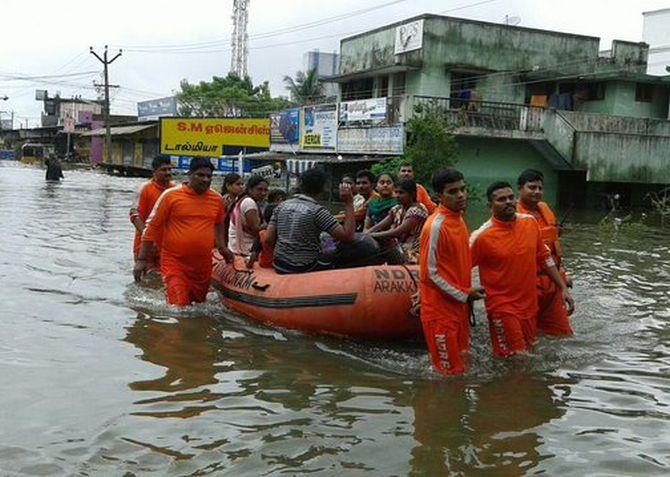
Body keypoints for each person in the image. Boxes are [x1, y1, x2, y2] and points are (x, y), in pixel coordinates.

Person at [470, 182, 575, 358]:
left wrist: (563, 287)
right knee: (516, 358)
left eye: (511, 198)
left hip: (528, 304)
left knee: (530, 354)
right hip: (501, 307)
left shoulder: (529, 223)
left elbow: (544, 258)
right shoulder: (481, 236)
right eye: (501, 199)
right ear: (490, 206)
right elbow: (460, 266)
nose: (508, 202)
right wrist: (466, 291)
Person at [418, 169, 485, 376]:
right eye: (453, 192)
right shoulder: (435, 226)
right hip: (440, 313)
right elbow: (429, 274)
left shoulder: (459, 218)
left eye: (463, 189)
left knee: (463, 366)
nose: (461, 195)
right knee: (448, 377)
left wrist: (465, 297)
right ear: (439, 196)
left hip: (459, 309)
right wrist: (465, 294)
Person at [134, 157, 226, 307]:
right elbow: (153, 226)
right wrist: (142, 259)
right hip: (175, 262)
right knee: (179, 307)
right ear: (189, 174)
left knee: (198, 306)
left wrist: (223, 248)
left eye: (209, 176)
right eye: (200, 175)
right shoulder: (171, 196)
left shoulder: (217, 199)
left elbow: (219, 223)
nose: (205, 179)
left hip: (202, 265)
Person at [265, 168, 356, 274]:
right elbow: (348, 237)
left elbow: (268, 239)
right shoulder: (318, 211)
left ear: (301, 184)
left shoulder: (281, 206)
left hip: (279, 264)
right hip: (304, 267)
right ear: (323, 188)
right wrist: (349, 202)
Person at [517, 169, 574, 337]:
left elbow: (553, 251)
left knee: (563, 335)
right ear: (520, 189)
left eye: (540, 188)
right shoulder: (512, 214)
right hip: (528, 285)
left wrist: (563, 277)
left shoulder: (544, 209)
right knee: (526, 338)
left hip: (552, 283)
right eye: (532, 187)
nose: (537, 192)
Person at [366, 180, 429, 264]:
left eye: (401, 193)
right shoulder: (397, 209)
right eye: (396, 192)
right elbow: (379, 226)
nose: (397, 196)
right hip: (399, 248)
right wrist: (366, 234)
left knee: (383, 242)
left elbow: (397, 232)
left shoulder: (418, 210)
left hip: (414, 252)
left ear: (412, 194)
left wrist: (371, 235)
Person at [129, 156, 175, 270]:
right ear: (154, 172)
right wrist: (148, 238)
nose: (168, 173)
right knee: (146, 282)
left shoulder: (175, 190)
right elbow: (134, 215)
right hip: (144, 247)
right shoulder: (144, 189)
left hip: (167, 247)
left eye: (170, 169)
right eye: (164, 170)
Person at [226, 175, 269, 257]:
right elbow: (256, 230)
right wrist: (270, 225)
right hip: (246, 249)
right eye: (259, 189)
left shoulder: (243, 200)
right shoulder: (249, 203)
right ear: (250, 189)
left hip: (234, 246)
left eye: (265, 190)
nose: (263, 193)